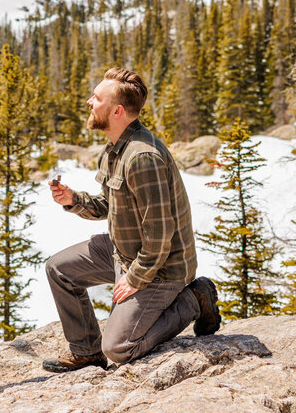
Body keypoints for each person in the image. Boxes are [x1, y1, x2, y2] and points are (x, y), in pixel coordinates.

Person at [43, 67, 221, 371]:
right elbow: (108, 206)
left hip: (162, 268)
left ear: (117, 111)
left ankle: (193, 299)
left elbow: (161, 233)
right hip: (123, 251)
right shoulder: (115, 149)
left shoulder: (142, 158)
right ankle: (86, 351)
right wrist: (74, 200)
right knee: (59, 269)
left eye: (96, 98)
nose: (89, 101)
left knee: (119, 348)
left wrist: (135, 278)